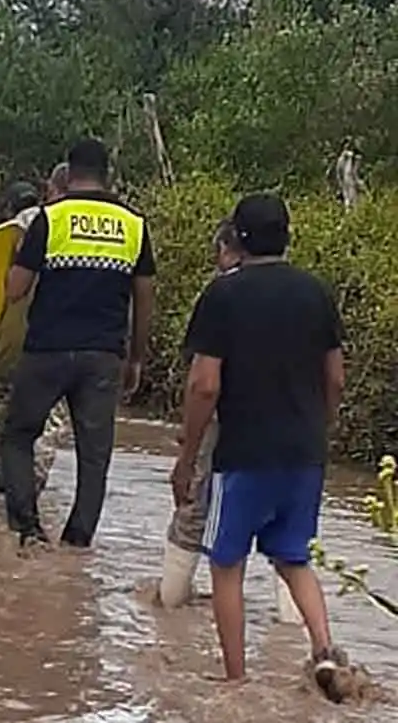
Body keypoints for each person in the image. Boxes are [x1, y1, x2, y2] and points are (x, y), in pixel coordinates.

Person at [170, 193, 345, 690]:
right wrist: (320, 430)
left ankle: (235, 681)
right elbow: (335, 378)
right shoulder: (317, 293)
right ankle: (324, 650)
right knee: (293, 557)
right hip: (304, 452)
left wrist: (186, 456)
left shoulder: (223, 295)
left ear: (237, 239)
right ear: (287, 236)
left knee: (226, 564)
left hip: (244, 455)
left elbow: (204, 384)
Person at [1, 138, 156, 551]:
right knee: (94, 453)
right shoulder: (134, 224)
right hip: (103, 356)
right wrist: (136, 358)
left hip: (47, 350)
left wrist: (13, 258)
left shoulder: (50, 219)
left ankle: (29, 529)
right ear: (109, 174)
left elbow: (15, 290)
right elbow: (144, 298)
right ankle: (77, 541)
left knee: (17, 435)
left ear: (68, 174)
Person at [159, 219, 301, 624]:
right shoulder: (307, 291)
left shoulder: (222, 293)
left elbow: (203, 383)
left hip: (232, 421)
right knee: (288, 531)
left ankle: (170, 609)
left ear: (228, 248)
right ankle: (292, 631)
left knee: (194, 509)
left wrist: (187, 447)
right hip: (294, 425)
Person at [0, 167, 71, 494]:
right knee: (49, 415)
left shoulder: (14, 228)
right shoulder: (59, 223)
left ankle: (3, 475)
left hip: (5, 334)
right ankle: (30, 478)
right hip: (48, 336)